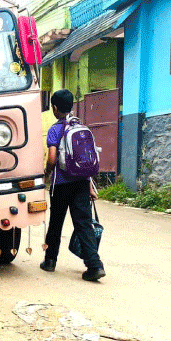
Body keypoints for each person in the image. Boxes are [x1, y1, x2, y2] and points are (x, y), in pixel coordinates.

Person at [41, 89, 106, 282]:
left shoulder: (55, 129)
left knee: (56, 223)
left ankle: (50, 261)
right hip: (80, 183)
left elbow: (52, 158)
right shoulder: (81, 127)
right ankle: (95, 266)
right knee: (83, 224)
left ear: (54, 108)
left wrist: (47, 173)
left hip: (61, 184)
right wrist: (90, 187)